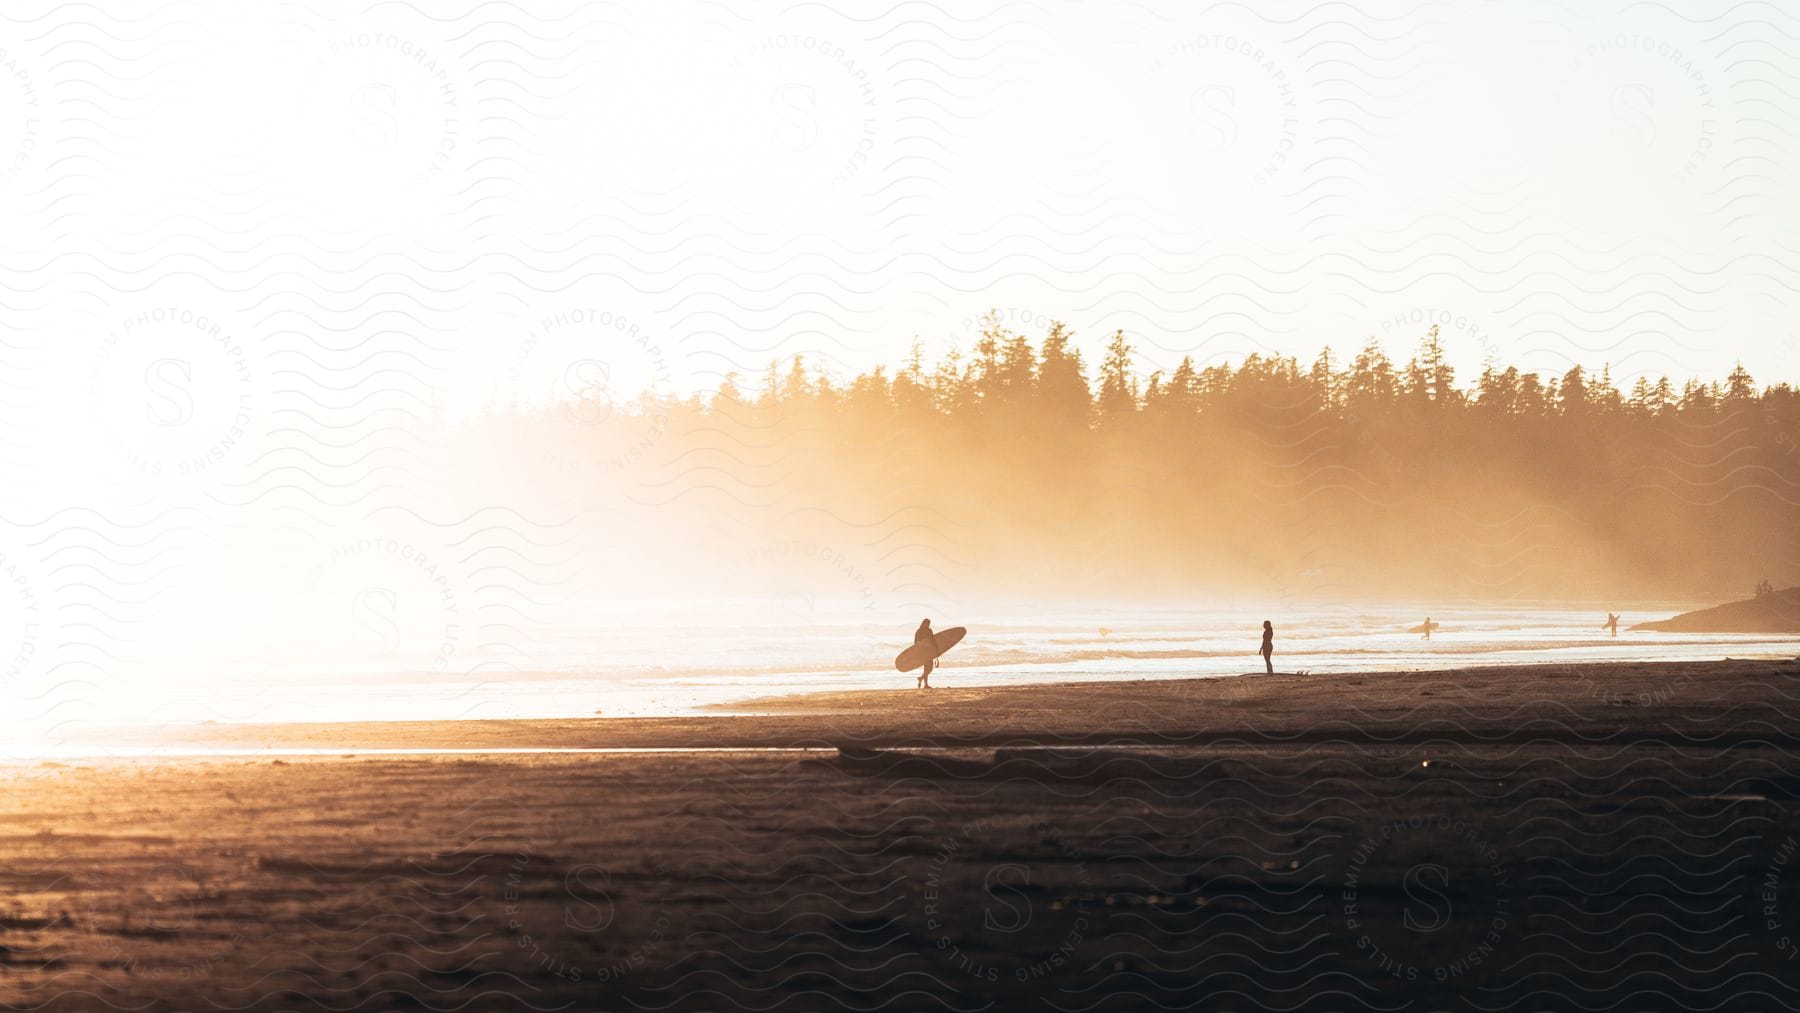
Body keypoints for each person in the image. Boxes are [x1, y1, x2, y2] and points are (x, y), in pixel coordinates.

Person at [914, 618, 937, 690]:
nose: (928, 625)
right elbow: (933, 641)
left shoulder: (918, 631)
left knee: (926, 668)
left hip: (922, 652)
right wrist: (936, 650)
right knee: (929, 668)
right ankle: (921, 678)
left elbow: (915, 643)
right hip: (928, 652)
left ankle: (925, 684)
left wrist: (918, 652)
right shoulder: (929, 631)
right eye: (928, 624)